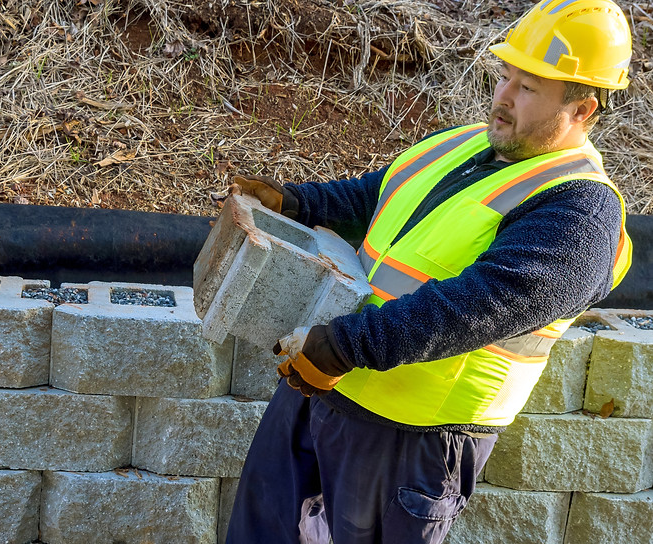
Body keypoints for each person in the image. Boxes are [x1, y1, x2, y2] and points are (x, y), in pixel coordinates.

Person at [224, 0, 634, 542]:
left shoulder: (582, 207)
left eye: (529, 88)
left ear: (583, 110)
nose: (504, 97)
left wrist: (348, 346)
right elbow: (379, 195)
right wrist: (298, 204)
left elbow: (485, 302)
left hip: (407, 437)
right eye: (505, 75)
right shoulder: (467, 144)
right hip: (321, 384)